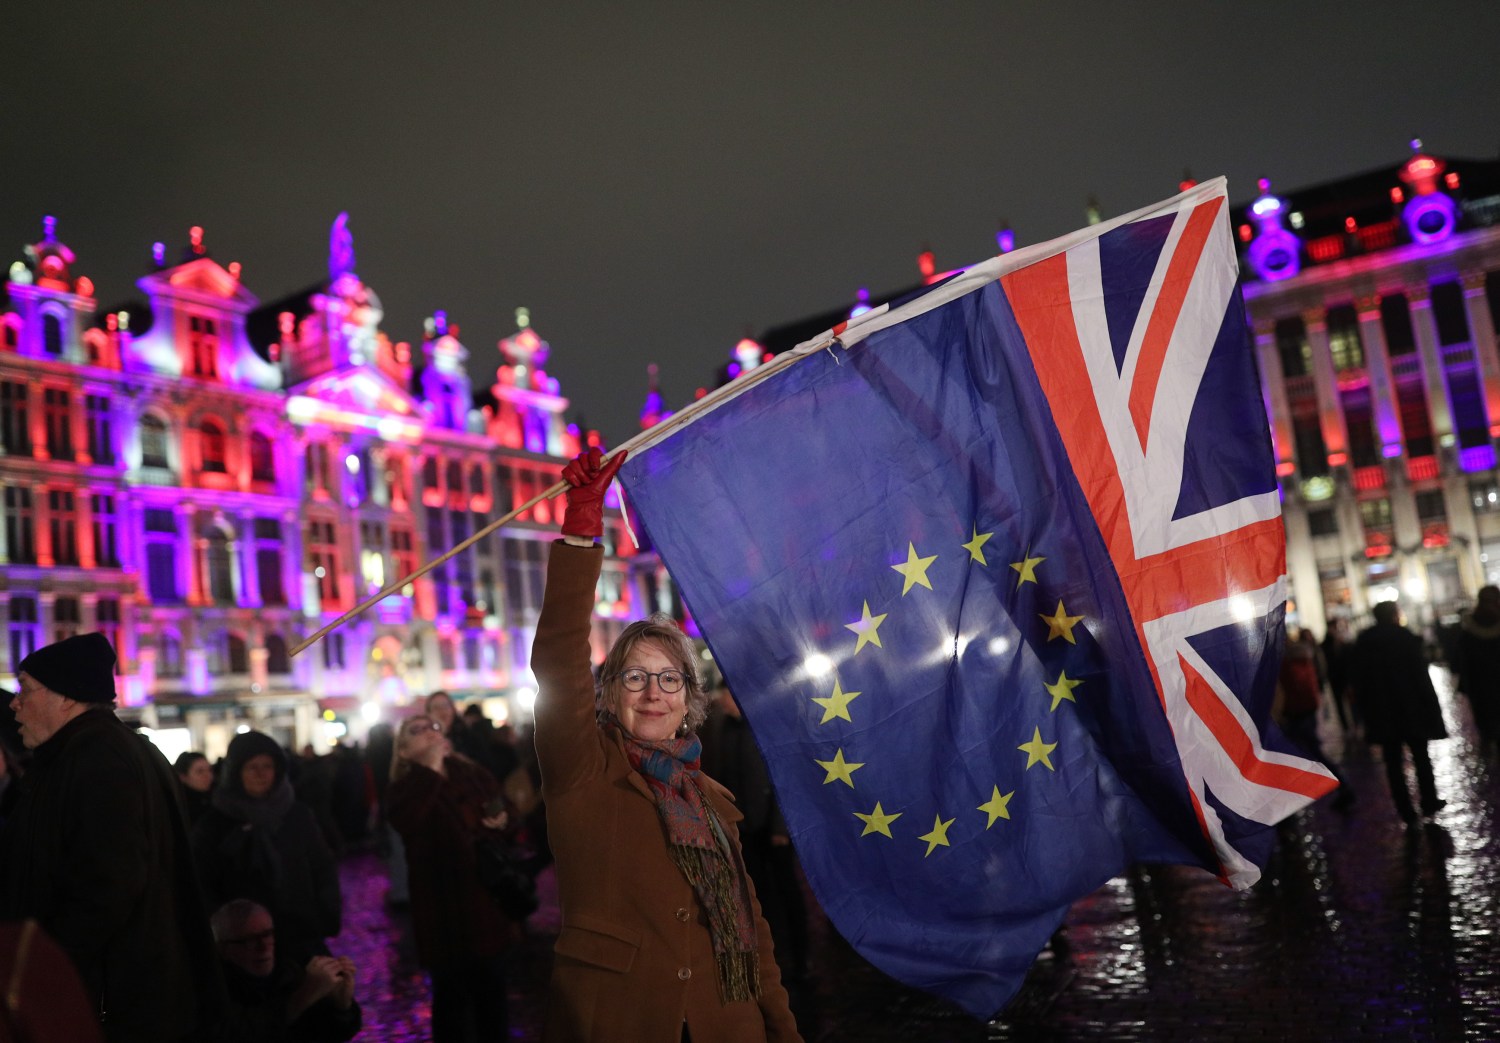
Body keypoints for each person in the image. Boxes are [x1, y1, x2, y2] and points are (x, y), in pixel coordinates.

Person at [531, 448, 801, 1042]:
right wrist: (580, 535)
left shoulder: (715, 802)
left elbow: (754, 937)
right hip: (618, 1022)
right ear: (609, 694)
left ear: (687, 701)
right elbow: (558, 662)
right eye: (634, 677)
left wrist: (782, 1030)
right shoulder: (582, 769)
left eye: (669, 679)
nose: (653, 692)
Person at [0, 632, 225, 1041]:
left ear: (65, 697)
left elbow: (107, 886)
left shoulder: (96, 759)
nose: (16, 703)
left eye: (25, 689)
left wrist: (45, 966)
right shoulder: (102, 752)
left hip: (110, 1002)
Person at [387, 712, 516, 1041]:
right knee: (451, 1007)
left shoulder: (471, 773)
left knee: (493, 1004)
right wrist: (431, 770)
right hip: (441, 911)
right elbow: (408, 821)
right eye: (416, 730)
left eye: (433, 726)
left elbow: (503, 805)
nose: (429, 731)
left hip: (484, 903)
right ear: (403, 751)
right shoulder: (403, 790)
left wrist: (503, 819)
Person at [193, 730, 342, 963]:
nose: (261, 774)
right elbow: (203, 883)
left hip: (300, 934)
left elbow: (321, 866)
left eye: (267, 766)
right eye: (252, 767)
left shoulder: (297, 815)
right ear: (236, 772)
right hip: (244, 945)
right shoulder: (214, 824)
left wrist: (325, 914)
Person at [700, 687, 810, 983]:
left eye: (725, 694)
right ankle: (769, 956)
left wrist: (780, 828)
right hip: (744, 829)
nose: (721, 700)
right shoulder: (722, 727)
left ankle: (801, 956)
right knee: (757, 895)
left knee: (788, 893)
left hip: (772, 830)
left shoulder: (766, 727)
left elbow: (784, 780)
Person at [211, 899, 361, 1043]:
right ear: (223, 949)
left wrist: (342, 1006)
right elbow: (241, 1034)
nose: (263, 947)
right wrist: (305, 994)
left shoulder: (293, 971)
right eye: (249, 940)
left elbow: (330, 1033)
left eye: (267, 934)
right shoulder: (216, 990)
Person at [1351, 601, 1448, 824]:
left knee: (1393, 763)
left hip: (1382, 712)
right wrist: (1430, 707)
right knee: (1421, 756)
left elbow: (1360, 682)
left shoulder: (1365, 642)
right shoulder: (1405, 638)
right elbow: (1420, 676)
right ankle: (1429, 800)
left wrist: (1366, 713)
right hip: (1411, 707)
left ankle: (1405, 810)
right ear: (1394, 615)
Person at [1275, 629, 1353, 809]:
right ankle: (1341, 785)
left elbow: (1283, 690)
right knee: (1311, 752)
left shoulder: (1284, 660)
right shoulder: (1301, 654)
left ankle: (1340, 786)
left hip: (1294, 713)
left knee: (1306, 755)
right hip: (1306, 709)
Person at [1455, 585, 1500, 759]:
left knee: (1487, 725)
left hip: (1479, 687)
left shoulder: (1468, 629)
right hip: (1485, 686)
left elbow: (1462, 662)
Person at [174, 750, 215, 826]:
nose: (208, 776)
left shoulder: (215, 798)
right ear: (183, 777)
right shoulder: (181, 808)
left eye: (210, 770)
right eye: (200, 771)